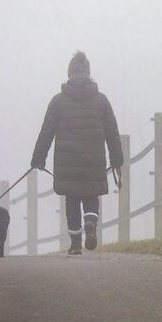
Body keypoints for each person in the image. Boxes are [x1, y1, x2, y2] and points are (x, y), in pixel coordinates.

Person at [31, 51, 123, 255]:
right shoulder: (101, 101)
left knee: (71, 198)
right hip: (93, 159)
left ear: (69, 73)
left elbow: (46, 131)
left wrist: (38, 158)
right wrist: (117, 158)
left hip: (67, 160)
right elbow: (112, 131)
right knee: (91, 194)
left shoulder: (58, 102)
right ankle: (90, 221)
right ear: (88, 73)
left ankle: (75, 245)